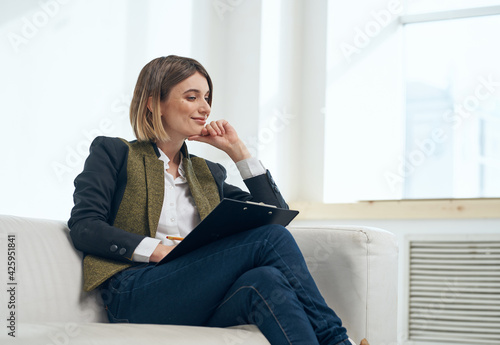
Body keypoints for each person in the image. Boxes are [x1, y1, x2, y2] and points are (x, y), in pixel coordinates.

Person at [68, 55, 368, 345]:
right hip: (135, 293)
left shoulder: (206, 172)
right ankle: (337, 341)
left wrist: (239, 152)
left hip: (197, 294)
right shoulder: (114, 153)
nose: (205, 107)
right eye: (192, 97)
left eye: (207, 97)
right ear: (154, 103)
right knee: (269, 240)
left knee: (266, 281)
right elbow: (84, 226)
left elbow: (276, 214)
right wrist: (159, 251)